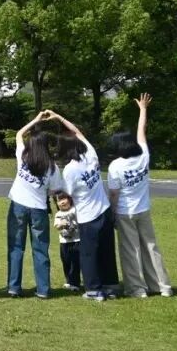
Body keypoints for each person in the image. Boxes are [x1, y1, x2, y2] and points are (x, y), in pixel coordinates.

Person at [49, 109, 119, 301]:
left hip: (88, 217)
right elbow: (78, 132)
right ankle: (110, 285)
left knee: (88, 254)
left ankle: (94, 290)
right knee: (106, 250)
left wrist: (49, 190)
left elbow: (65, 192)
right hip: (104, 210)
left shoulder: (70, 170)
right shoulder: (90, 153)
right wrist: (60, 117)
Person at [107, 93, 172, 298]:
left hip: (125, 212)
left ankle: (137, 289)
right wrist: (143, 109)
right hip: (144, 210)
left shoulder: (115, 166)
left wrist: (112, 214)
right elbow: (141, 132)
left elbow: (114, 194)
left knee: (130, 250)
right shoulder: (144, 155)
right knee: (151, 248)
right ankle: (162, 287)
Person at [6, 109, 65, 299]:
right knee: (40, 249)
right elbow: (55, 191)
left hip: (18, 205)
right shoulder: (52, 167)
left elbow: (18, 134)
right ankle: (43, 289)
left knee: (16, 247)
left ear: (31, 143)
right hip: (39, 209)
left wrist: (36, 120)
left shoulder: (23, 156)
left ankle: (14, 287)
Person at [53, 192, 82, 291]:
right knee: (66, 261)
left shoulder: (75, 210)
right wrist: (61, 224)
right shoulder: (58, 214)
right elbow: (56, 226)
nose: (62, 202)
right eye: (59, 201)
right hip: (64, 242)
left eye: (63, 199)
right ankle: (69, 281)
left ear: (70, 199)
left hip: (76, 240)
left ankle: (75, 283)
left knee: (75, 262)